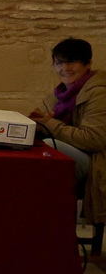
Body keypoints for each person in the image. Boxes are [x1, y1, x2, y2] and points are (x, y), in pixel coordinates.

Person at [31, 38, 103, 229]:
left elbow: (94, 140)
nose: (65, 68)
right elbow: (47, 123)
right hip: (78, 154)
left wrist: (50, 125)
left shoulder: (99, 93)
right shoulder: (59, 94)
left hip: (97, 161)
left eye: (71, 62)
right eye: (59, 63)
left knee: (48, 150)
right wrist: (36, 126)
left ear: (88, 64)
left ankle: (50, 227)